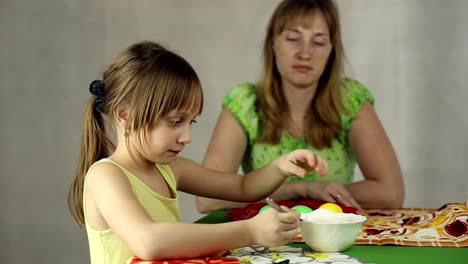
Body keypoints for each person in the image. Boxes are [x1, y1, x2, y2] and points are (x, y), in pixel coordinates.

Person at [68, 41, 328, 264]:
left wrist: (280, 167)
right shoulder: (106, 176)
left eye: (190, 122)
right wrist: (250, 230)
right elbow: (148, 241)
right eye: (174, 121)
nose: (186, 137)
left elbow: (243, 187)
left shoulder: (170, 169)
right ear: (125, 115)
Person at [196, 0, 404, 214]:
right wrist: (303, 189)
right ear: (272, 44)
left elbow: (391, 194)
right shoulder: (245, 102)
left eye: (319, 42)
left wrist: (320, 193)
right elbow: (207, 200)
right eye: (293, 39)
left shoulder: (350, 99)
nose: (305, 53)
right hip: (263, 241)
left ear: (332, 51)